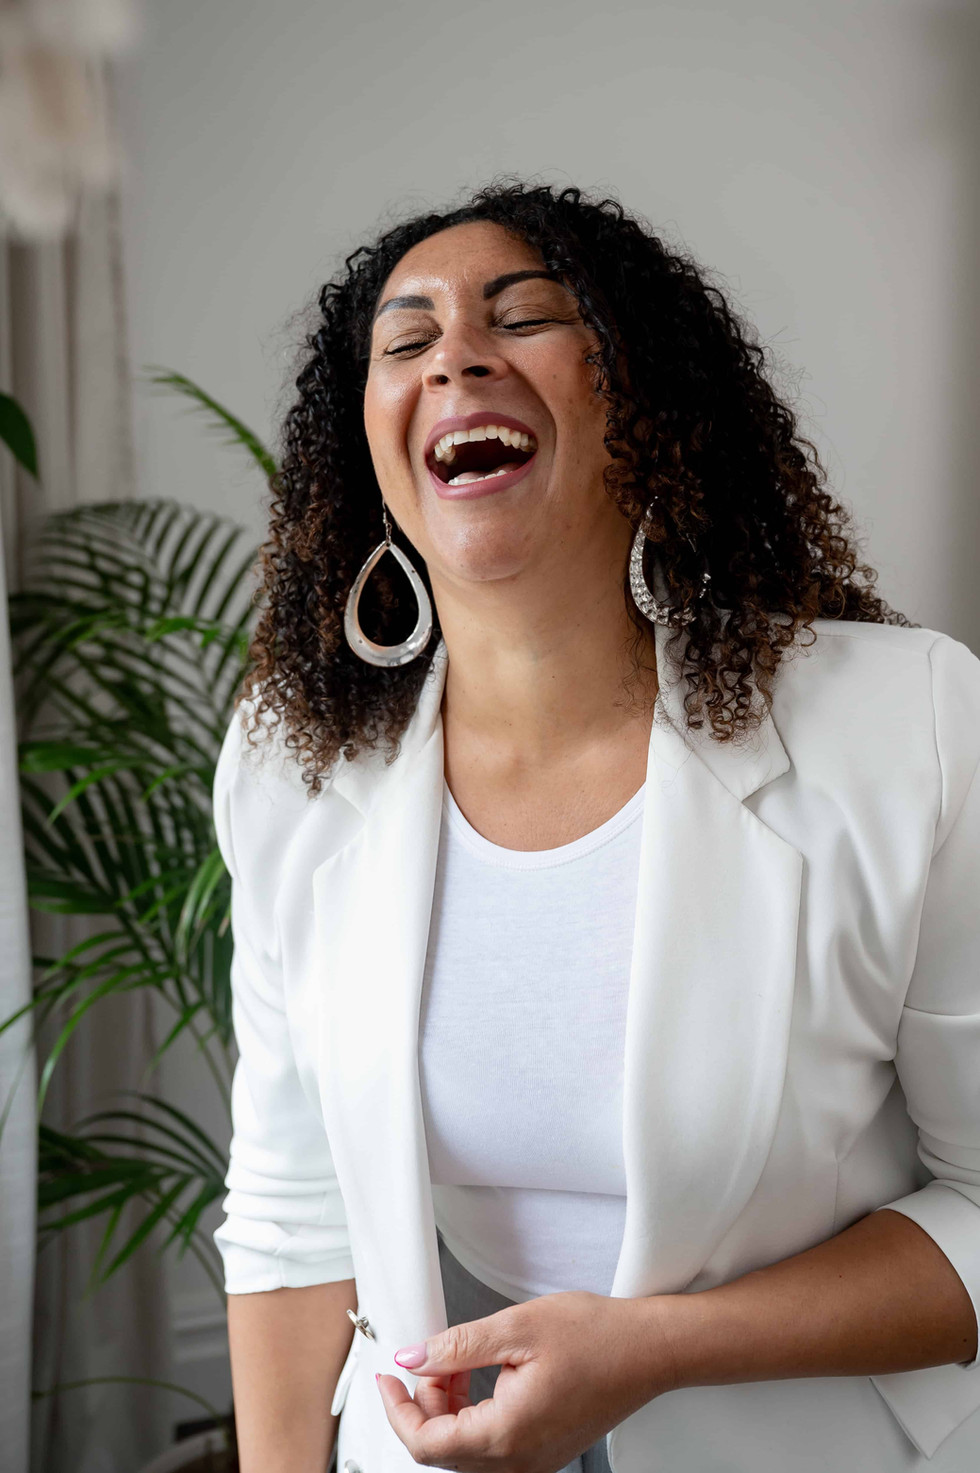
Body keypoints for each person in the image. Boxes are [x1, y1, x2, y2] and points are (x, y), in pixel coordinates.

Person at [211, 179, 980, 1473]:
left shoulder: (915, 726)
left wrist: (656, 1346)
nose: (457, 355)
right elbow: (292, 1219)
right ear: (374, 453)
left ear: (643, 401)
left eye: (523, 317)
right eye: (407, 341)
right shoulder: (296, 769)